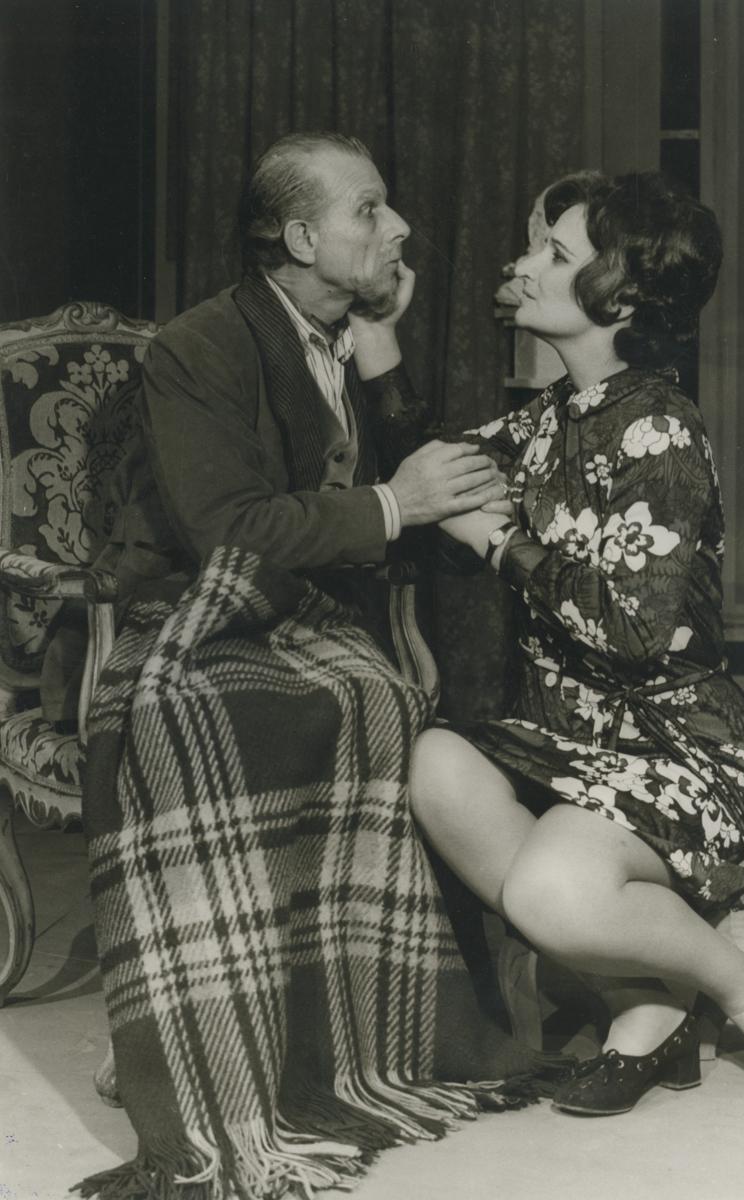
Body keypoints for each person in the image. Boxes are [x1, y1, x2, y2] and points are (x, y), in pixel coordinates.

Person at [76, 133, 546, 1200]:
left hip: (312, 610)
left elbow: (413, 479)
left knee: (371, 696)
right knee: (207, 720)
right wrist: (393, 503)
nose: (399, 228)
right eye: (369, 210)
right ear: (299, 238)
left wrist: (381, 350)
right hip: (192, 608)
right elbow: (228, 528)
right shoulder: (198, 346)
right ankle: (197, 1028)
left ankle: (332, 1037)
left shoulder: (348, 335)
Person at [386, 169, 744, 1118]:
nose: (526, 264)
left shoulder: (661, 430)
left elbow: (631, 632)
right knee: (435, 766)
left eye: (554, 252)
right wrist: (380, 335)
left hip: (676, 749)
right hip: (565, 742)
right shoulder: (549, 417)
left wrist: (499, 542)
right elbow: (430, 471)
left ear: (620, 297)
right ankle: (647, 998)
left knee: (550, 894)